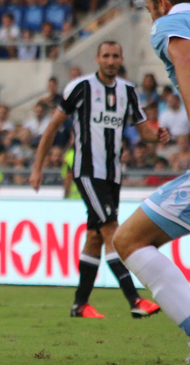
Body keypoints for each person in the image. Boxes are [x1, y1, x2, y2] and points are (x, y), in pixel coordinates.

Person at [112, 0, 190, 365]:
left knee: (129, 240)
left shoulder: (172, 24)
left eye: (151, 9)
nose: (153, 17)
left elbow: (186, 58)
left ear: (162, 4)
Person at [29, 41, 167, 322]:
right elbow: (53, 126)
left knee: (94, 237)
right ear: (97, 58)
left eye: (115, 55)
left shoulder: (128, 91)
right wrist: (37, 167)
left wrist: (158, 135)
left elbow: (144, 133)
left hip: (113, 174)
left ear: (121, 59)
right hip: (87, 171)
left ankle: (80, 305)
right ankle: (135, 299)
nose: (111, 60)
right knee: (112, 231)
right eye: (106, 56)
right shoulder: (80, 87)